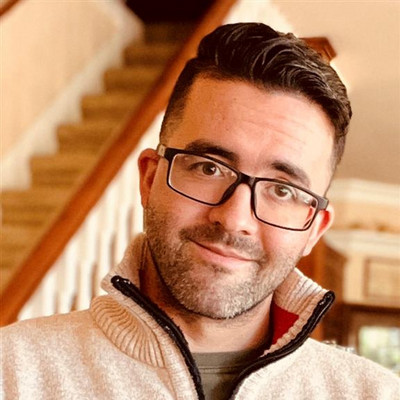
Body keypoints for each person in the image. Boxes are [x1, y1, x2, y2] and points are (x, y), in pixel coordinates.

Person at [1, 23, 399, 400]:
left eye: (282, 190)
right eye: (209, 168)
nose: (235, 219)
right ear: (149, 179)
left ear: (314, 229)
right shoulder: (13, 373)